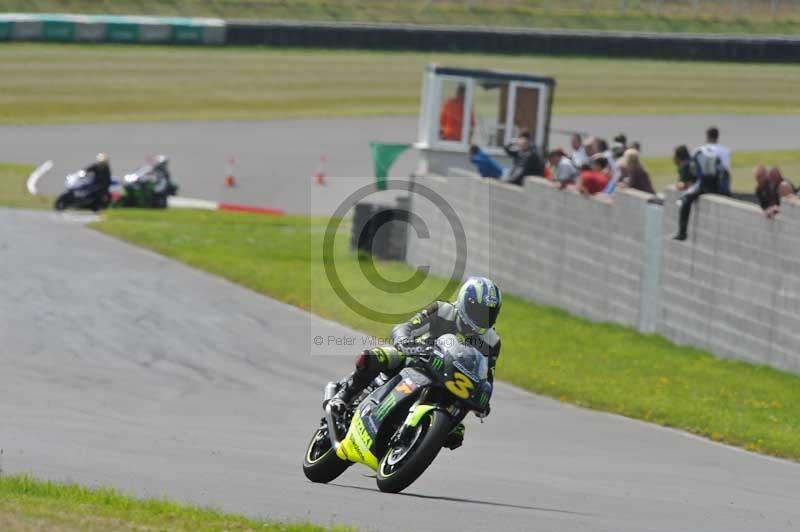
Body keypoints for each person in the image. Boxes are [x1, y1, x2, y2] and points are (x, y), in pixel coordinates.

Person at [326, 277, 502, 450]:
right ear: (465, 302)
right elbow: (405, 327)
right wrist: (404, 341)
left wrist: (484, 401)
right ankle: (343, 396)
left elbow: (487, 377)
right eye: (479, 311)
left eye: (489, 313)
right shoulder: (443, 310)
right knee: (376, 356)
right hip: (419, 358)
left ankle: (413, 445)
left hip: (452, 383)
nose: (482, 317)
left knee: (456, 433)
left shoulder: (492, 342)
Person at [674, 145, 727, 241]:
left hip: (704, 186)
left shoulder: (686, 165)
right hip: (714, 186)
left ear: (677, 157)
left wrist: (678, 185)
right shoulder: (695, 161)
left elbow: (684, 185)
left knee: (685, 201)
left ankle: (682, 232)